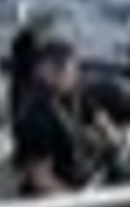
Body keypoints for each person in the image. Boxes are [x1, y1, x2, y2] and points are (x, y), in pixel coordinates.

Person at [11, 32, 115, 195]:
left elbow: (101, 121)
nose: (77, 77)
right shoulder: (36, 119)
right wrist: (76, 199)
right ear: (51, 74)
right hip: (57, 198)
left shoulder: (74, 97)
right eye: (71, 72)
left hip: (85, 178)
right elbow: (41, 178)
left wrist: (113, 137)